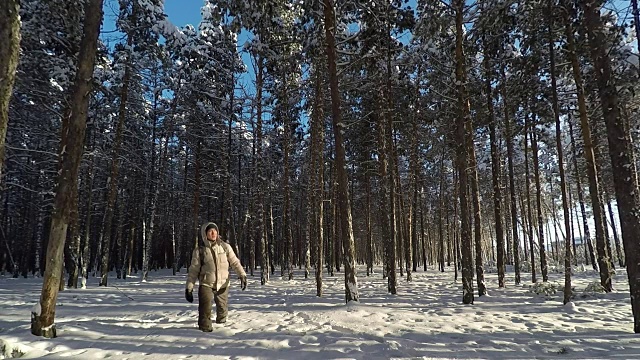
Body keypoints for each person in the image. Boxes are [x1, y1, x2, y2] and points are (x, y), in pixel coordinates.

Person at [185, 222, 247, 332]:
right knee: (205, 309)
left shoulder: (225, 247)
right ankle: (205, 330)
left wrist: (242, 275)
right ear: (205, 234)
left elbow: (235, 262)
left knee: (222, 309)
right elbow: (193, 270)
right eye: (210, 231)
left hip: (223, 284)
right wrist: (189, 288)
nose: (213, 233)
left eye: (215, 231)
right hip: (206, 284)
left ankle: (222, 324)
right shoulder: (200, 251)